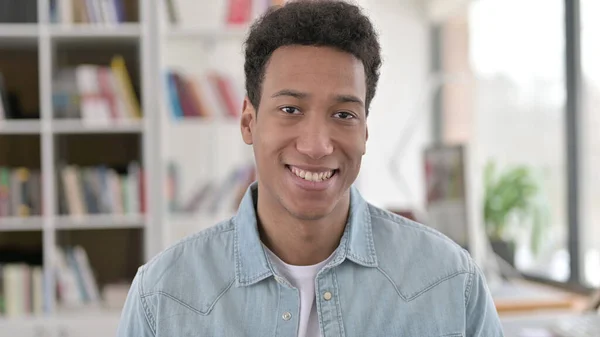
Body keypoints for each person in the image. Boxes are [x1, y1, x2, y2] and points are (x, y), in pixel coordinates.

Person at [116, 1, 504, 336]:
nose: (317, 145)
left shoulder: (451, 283)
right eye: (290, 110)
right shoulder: (163, 295)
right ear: (249, 122)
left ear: (365, 132)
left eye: (343, 114)